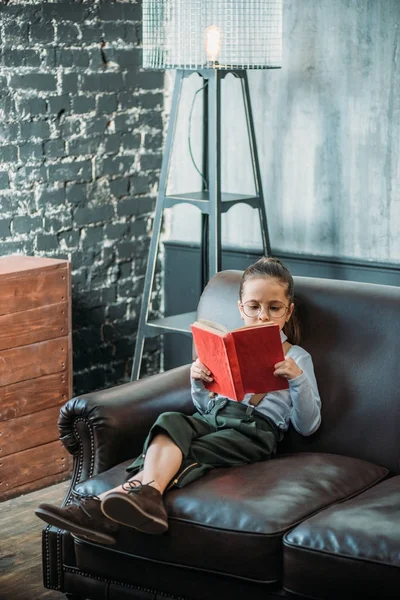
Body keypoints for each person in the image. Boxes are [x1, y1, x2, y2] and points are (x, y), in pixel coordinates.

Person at [35, 257, 321, 545]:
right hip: (213, 416)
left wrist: (297, 380)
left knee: (193, 450)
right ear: (240, 307)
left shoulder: (297, 357)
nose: (263, 316)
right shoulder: (232, 347)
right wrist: (198, 381)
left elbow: (308, 426)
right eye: (254, 307)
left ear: (289, 311)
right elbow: (204, 407)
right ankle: (141, 498)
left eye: (274, 308)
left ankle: (95, 508)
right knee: (170, 422)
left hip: (254, 431)